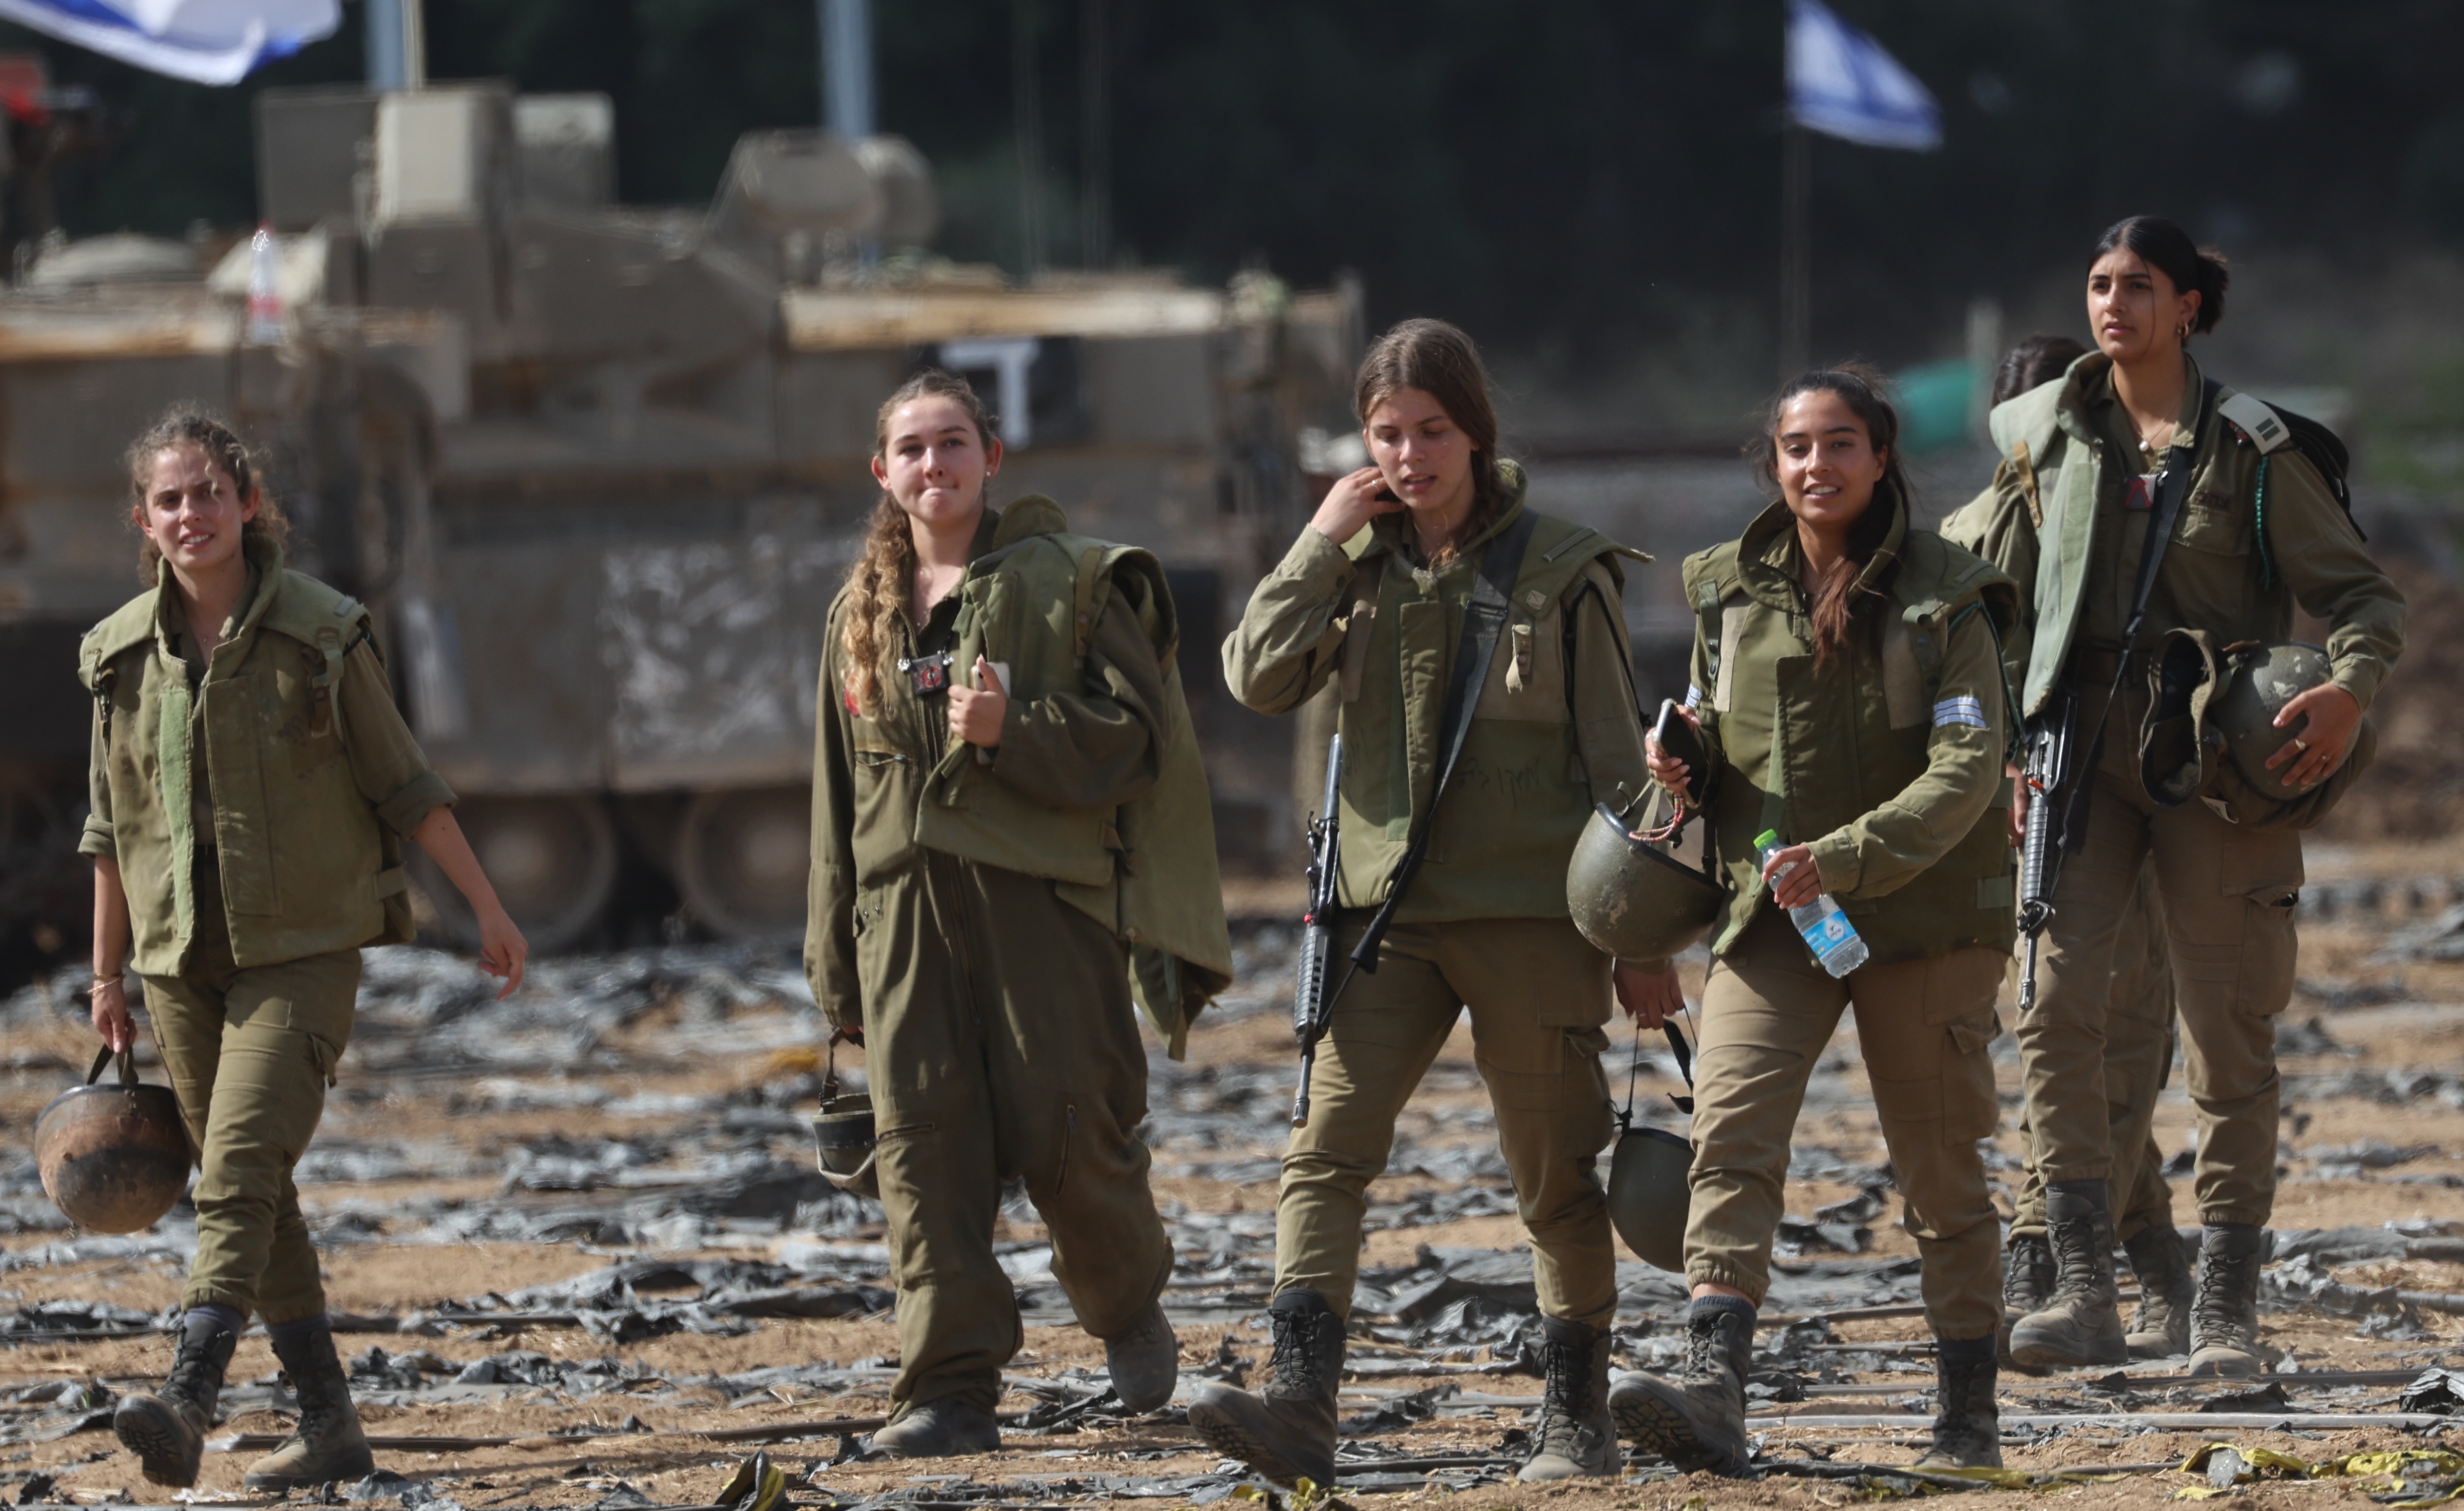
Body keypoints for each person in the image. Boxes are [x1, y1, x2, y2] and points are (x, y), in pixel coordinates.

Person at [1189, 318, 1661, 1487]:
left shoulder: (1562, 570)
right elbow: (1252, 676)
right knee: (1323, 1152)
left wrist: (1642, 938)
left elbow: (1619, 766)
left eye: (1431, 430)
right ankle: (1298, 1406)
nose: (1408, 455)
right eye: (1386, 434)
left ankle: (1577, 1418)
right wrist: (1316, 539)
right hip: (1380, 920)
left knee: (1552, 1170)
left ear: (1475, 432)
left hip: (1530, 916)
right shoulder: (1351, 568)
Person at [1977, 219, 2404, 1375]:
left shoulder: (2252, 450)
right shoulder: (2043, 441)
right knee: (2050, 1007)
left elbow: (2363, 598)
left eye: (2138, 286)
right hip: (2079, 758)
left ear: (2188, 310)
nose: (2111, 303)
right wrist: (2004, 746)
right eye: (2097, 283)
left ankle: (2222, 1311)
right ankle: (2081, 1289)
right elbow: (1995, 606)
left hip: (2213, 765)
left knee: (2226, 1036)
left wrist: (2347, 692)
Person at [82, 408, 530, 1491]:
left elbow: (405, 784)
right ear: (144, 521)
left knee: (237, 1167)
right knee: (257, 1186)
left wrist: (487, 908)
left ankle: (189, 1393)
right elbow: (109, 829)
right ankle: (329, 1422)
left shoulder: (325, 633)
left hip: (304, 951)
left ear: (248, 501)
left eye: (209, 491)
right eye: (169, 498)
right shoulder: (116, 656)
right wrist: (107, 975)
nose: (192, 512)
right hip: (178, 963)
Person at [806, 369, 1230, 1457]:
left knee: (1072, 1133)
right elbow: (836, 803)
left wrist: (1014, 730)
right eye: (911, 448)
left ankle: (1125, 1302)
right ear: (882, 471)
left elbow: (1139, 742)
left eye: (953, 442)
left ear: (991, 457)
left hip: (1041, 910)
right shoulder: (856, 617)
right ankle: (948, 1391)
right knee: (923, 1158)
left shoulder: (1069, 584)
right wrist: (835, 969)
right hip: (901, 926)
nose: (933, 464)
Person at [1608, 367, 2018, 1474]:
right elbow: (1716, 739)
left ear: (1880, 458)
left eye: (1840, 443)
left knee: (1938, 1170)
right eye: (1796, 446)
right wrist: (1683, 761)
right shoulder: (1728, 592)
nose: (1816, 464)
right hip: (1771, 914)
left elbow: (1968, 767)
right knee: (1730, 1136)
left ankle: (1966, 1421)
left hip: (1923, 918)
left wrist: (1838, 856)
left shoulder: (1948, 597)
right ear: (1773, 462)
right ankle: (1712, 1387)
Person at [1943, 334, 2189, 1356]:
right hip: (2050, 811)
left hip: (2080, 810)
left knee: (2092, 1035)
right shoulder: (1994, 532)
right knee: (2087, 1038)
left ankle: (2093, 1264)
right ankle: (2077, 1259)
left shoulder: (2137, 519)